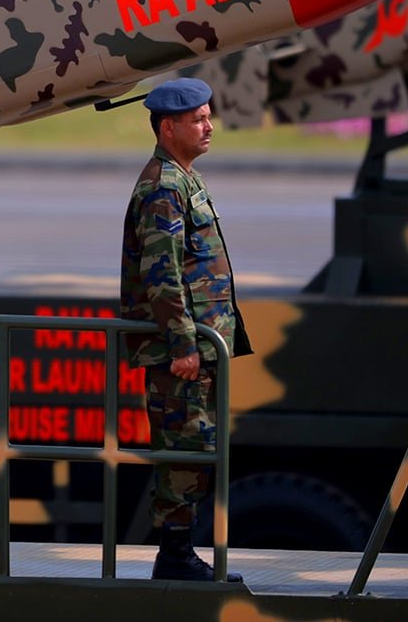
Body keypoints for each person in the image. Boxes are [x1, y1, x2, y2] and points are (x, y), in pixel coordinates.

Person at [121, 78, 253, 582]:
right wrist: (181, 344)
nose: (208, 126)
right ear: (168, 127)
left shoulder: (183, 178)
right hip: (183, 353)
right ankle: (174, 555)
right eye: (197, 119)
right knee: (183, 451)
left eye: (208, 116)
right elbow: (163, 272)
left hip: (201, 347)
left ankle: (181, 551)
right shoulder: (163, 186)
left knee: (196, 448)